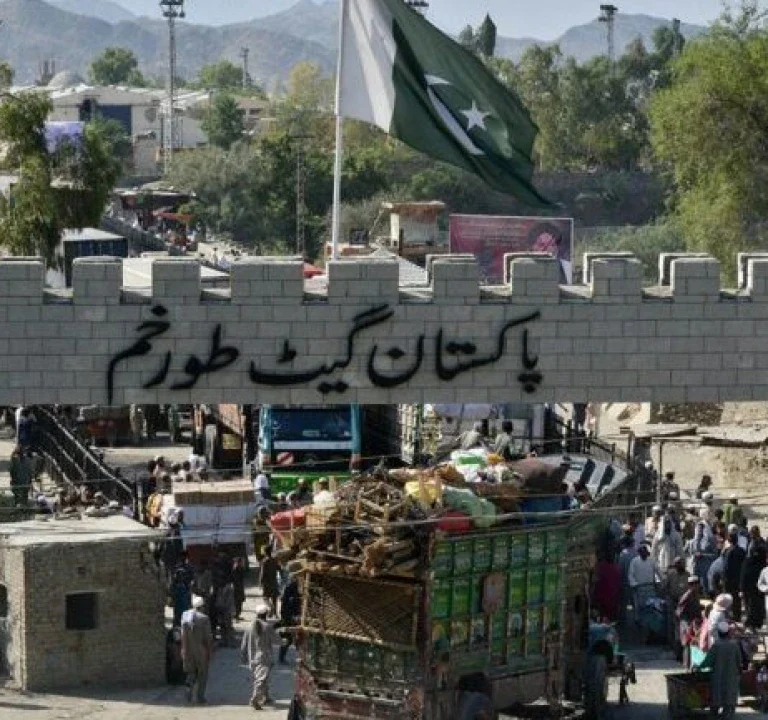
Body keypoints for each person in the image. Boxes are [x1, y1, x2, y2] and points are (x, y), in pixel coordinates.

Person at [241, 603, 277, 710]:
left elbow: (244, 644)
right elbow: (277, 640)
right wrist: (285, 640)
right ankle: (255, 699)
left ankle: (266, 697)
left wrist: (243, 656)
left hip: (252, 658)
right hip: (264, 658)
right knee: (261, 679)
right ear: (266, 614)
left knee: (262, 678)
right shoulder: (267, 627)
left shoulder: (249, 626)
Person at [704, 621, 742, 719]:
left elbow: (708, 661)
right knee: (729, 697)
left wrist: (700, 666)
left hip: (718, 677)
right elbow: (739, 661)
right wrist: (739, 672)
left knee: (716, 696)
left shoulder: (716, 646)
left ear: (719, 633)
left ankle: (715, 714)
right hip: (731, 677)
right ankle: (727, 715)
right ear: (728, 632)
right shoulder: (734, 645)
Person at [180, 595, 214, 705]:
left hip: (187, 649)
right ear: (202, 606)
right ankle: (200, 697)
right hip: (201, 651)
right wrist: (210, 651)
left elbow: (182, 635)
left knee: (190, 672)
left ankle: (188, 691)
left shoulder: (185, 616)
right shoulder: (204, 618)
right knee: (202, 674)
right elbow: (207, 638)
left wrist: (183, 650)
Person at [741, 526, 766, 630]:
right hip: (753, 576)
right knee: (753, 600)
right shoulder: (753, 542)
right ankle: (754, 620)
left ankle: (754, 621)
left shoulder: (760, 545)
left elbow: (757, 560)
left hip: (755, 576)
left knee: (754, 600)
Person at [628, 543, 660, 624]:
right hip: (639, 589)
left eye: (645, 552)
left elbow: (658, 572)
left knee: (652, 605)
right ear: (639, 553)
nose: (644, 554)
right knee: (638, 606)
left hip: (650, 588)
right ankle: (638, 621)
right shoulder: (634, 561)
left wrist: (661, 581)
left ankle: (652, 622)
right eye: (642, 552)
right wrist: (634, 584)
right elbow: (630, 575)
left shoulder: (652, 561)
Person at [676, 576, 702, 667]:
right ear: (692, 585)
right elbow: (679, 612)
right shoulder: (687, 596)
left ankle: (691, 665)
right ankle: (686, 666)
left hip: (693, 622)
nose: (698, 586)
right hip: (687, 622)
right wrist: (688, 624)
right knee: (687, 644)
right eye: (696, 584)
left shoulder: (695, 594)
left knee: (693, 644)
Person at [690, 514, 718, 594]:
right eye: (698, 529)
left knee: (706, 588)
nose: (699, 531)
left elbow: (715, 555)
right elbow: (690, 552)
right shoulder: (693, 541)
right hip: (696, 568)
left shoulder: (710, 540)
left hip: (706, 568)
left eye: (701, 529)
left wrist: (703, 555)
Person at [723, 530, 747, 620]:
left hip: (729, 579)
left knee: (728, 599)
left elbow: (726, 567)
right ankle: (737, 617)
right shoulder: (742, 551)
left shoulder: (728, 551)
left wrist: (723, 578)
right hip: (739, 579)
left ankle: (730, 618)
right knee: (737, 599)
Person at [592, 553, 621, 622]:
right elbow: (618, 584)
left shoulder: (600, 567)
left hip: (601, 598)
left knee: (601, 617)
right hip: (612, 598)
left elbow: (596, 581)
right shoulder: (616, 569)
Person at [279, 576, 302, 663]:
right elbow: (285, 607)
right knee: (288, 638)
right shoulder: (290, 589)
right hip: (288, 618)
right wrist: (292, 616)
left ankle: (301, 658)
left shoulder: (297, 589)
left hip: (295, 617)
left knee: (298, 638)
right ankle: (281, 657)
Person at [259, 545, 281, 617]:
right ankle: (275, 614)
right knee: (274, 598)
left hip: (267, 583)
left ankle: (271, 608)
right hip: (274, 582)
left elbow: (262, 573)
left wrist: (260, 582)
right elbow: (279, 568)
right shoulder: (274, 560)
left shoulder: (264, 561)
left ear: (265, 552)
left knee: (265, 598)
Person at [232, 556, 246, 621]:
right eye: (242, 562)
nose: (243, 563)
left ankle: (237, 615)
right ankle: (236, 615)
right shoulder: (236, 568)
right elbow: (236, 579)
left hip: (239, 587)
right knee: (238, 602)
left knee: (239, 602)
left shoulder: (239, 568)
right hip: (237, 588)